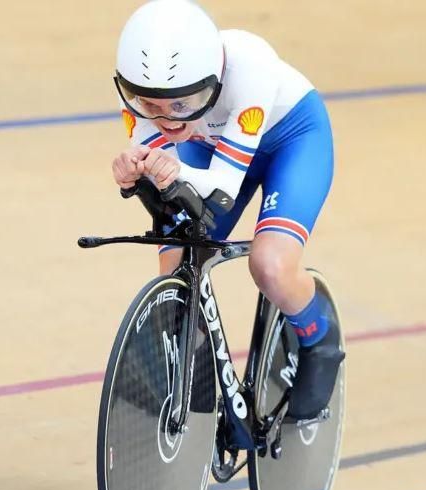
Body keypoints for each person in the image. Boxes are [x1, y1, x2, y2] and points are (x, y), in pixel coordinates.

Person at [110, 0, 343, 419]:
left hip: (291, 141)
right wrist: (137, 170)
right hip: (211, 149)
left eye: (183, 104)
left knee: (269, 265)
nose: (165, 119)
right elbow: (167, 179)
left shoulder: (250, 66)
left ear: (214, 82)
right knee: (177, 260)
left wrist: (164, 167)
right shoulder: (142, 94)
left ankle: (319, 338)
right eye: (150, 106)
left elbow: (221, 188)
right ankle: (194, 375)